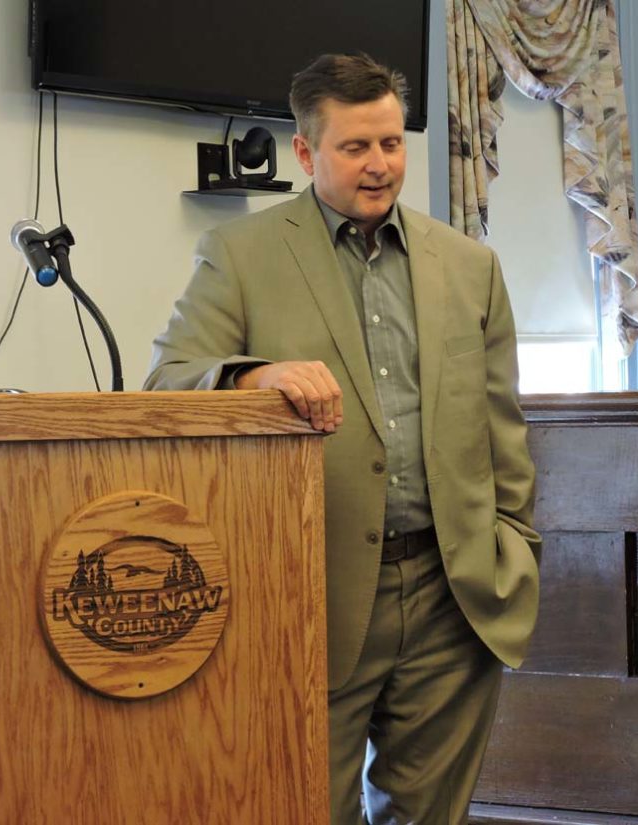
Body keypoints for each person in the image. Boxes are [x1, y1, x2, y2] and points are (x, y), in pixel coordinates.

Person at [144, 53, 540, 824]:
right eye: (355, 147)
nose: (380, 164)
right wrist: (256, 376)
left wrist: (515, 545)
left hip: (453, 596)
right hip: (311, 596)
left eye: (390, 142)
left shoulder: (471, 266)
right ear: (305, 151)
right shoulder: (240, 255)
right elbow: (168, 382)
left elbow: (503, 430)